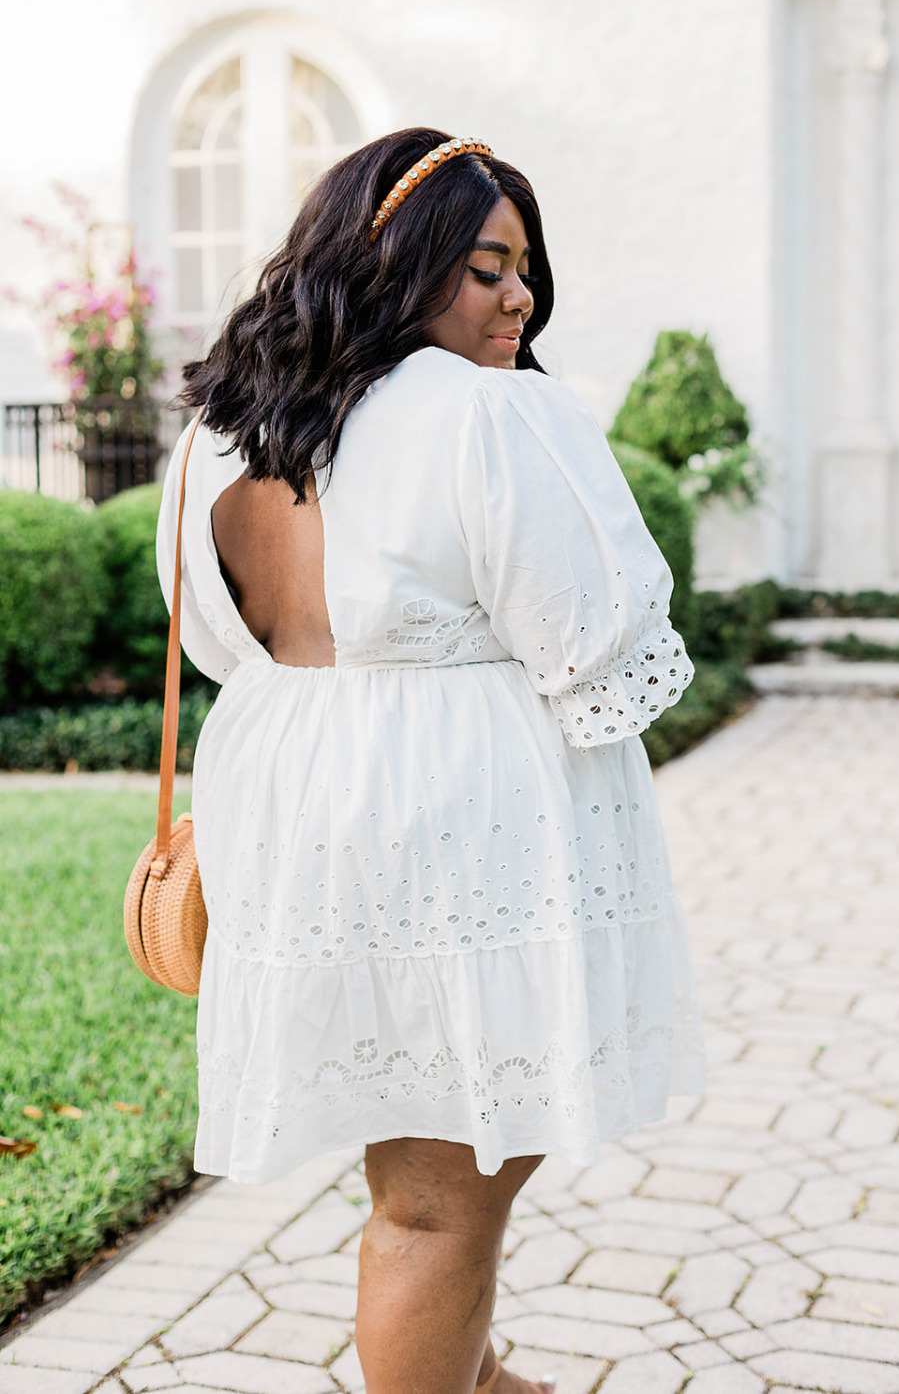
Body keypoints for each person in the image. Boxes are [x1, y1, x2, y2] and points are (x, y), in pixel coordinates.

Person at [156, 127, 705, 1394]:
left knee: (417, 1174)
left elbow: (232, 642)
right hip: (456, 824)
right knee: (444, 1202)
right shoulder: (484, 416)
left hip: (303, 800)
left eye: (527, 270)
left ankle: (476, 1377)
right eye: (485, 267)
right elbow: (597, 646)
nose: (518, 296)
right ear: (395, 264)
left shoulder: (224, 436)